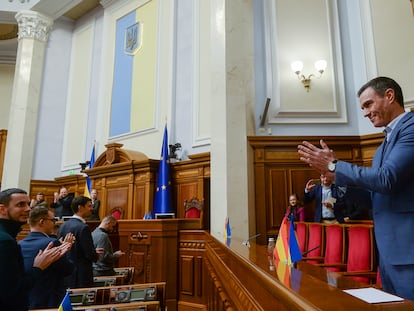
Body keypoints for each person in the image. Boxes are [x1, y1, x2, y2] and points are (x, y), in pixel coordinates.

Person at [297, 76, 414, 300]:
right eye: (362, 108)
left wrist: (334, 164)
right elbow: (373, 198)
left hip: (409, 253)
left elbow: (386, 179)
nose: (365, 113)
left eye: (368, 104)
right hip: (389, 256)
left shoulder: (411, 127)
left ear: (389, 96)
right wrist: (335, 179)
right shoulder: (382, 147)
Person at [0, 188, 71, 311]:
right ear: (2, 209)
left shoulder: (10, 238)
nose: (28, 209)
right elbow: (12, 291)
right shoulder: (5, 241)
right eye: (20, 204)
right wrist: (38, 267)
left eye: (28, 204)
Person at [19, 206, 75, 309]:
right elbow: (67, 269)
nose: (55, 223)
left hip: (28, 298)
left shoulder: (20, 244)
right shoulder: (51, 243)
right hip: (49, 301)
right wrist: (66, 250)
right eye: (53, 220)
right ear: (42, 222)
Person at [57, 195, 103, 288]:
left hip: (66, 273)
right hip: (81, 275)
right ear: (80, 207)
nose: (91, 209)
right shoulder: (83, 227)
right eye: (89, 206)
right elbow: (88, 254)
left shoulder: (63, 225)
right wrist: (96, 255)